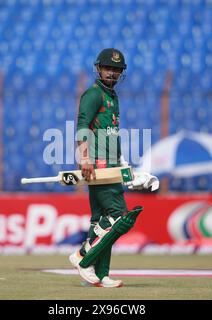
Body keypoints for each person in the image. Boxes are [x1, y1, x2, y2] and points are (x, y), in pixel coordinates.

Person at [68, 48, 158, 288]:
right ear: (98, 68)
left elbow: (111, 134)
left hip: (111, 164)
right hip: (97, 166)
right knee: (119, 216)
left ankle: (101, 273)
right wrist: (84, 158)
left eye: (117, 70)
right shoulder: (94, 94)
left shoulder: (112, 96)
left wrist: (122, 162)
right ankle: (83, 257)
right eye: (108, 68)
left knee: (100, 218)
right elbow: (83, 126)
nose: (112, 73)